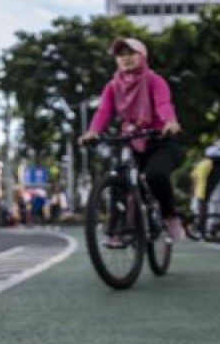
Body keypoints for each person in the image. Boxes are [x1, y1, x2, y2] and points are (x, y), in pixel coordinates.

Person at [78, 38, 185, 239]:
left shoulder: (154, 80)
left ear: (142, 56)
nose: (126, 58)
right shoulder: (112, 86)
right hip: (133, 140)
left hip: (161, 139)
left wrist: (170, 122)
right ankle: (119, 229)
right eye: (121, 55)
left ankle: (169, 215)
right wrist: (92, 132)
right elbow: (103, 111)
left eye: (131, 53)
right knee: (119, 180)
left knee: (155, 175)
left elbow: (163, 104)